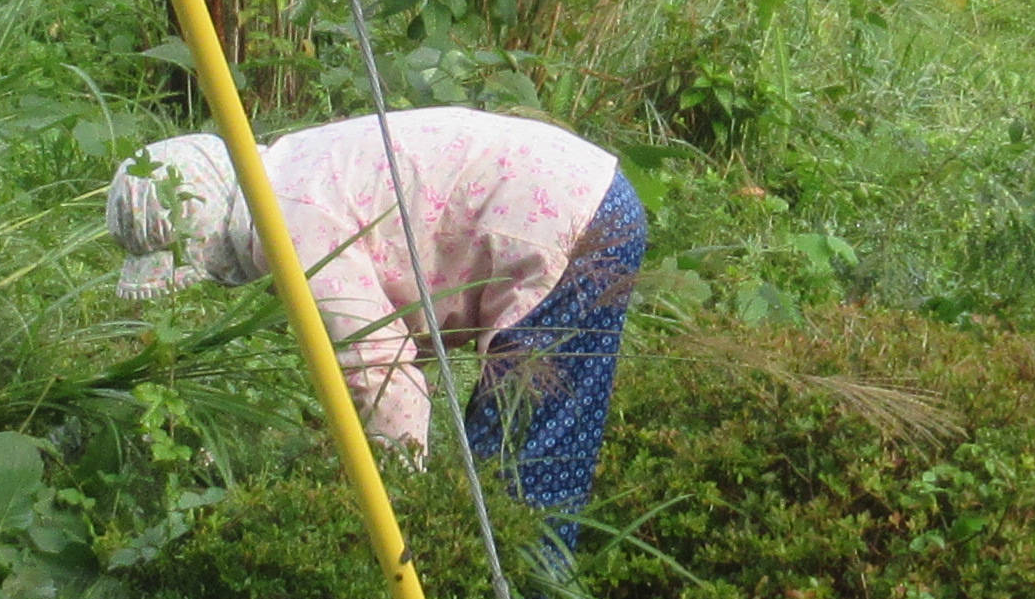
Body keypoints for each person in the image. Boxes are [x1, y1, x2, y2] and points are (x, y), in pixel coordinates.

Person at [104, 108, 647, 571]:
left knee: (521, 456)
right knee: (531, 438)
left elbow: (381, 373)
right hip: (583, 188)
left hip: (564, 219)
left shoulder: (289, 226)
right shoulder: (290, 167)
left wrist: (403, 516)